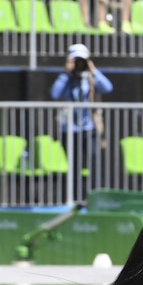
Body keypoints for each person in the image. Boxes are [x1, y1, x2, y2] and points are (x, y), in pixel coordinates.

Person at [50, 43, 113, 202]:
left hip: (88, 128)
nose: (79, 64)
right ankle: (75, 199)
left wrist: (93, 70)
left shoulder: (90, 78)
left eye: (81, 60)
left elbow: (108, 87)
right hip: (69, 130)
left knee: (94, 162)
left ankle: (93, 198)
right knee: (74, 166)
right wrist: (66, 73)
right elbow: (55, 93)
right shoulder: (66, 79)